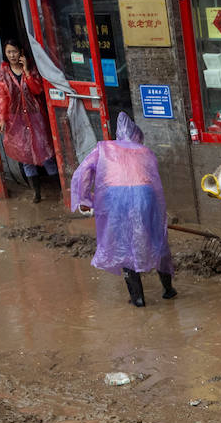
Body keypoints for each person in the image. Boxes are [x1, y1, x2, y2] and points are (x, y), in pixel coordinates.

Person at [69, 112, 174, 307]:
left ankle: (138, 299)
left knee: (124, 246)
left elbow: (82, 172)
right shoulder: (145, 151)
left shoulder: (104, 148)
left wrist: (85, 199)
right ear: (137, 135)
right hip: (146, 196)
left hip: (115, 199)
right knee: (158, 239)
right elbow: (155, 182)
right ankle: (168, 290)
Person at [0, 39, 57, 203]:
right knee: (25, 157)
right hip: (16, 120)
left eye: (14, 51)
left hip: (35, 117)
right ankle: (36, 193)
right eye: (9, 52)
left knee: (45, 152)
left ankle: (58, 189)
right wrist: (2, 118)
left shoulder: (31, 68)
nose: (12, 55)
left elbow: (37, 89)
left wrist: (26, 70)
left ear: (21, 52)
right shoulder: (2, 74)